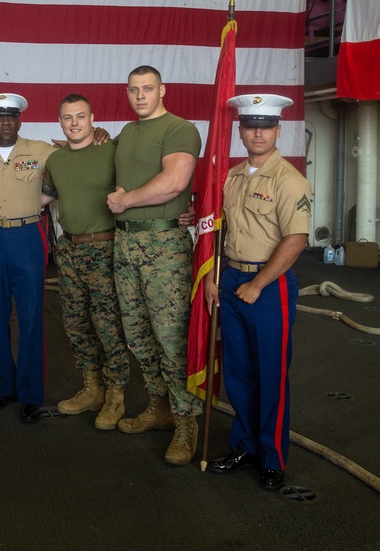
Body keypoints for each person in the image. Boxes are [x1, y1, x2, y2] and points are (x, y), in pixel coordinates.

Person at [203, 94, 310, 491]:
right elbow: (220, 230)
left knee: (271, 376)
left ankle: (272, 457)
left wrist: (258, 284)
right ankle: (244, 446)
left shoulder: (289, 180)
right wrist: (216, 277)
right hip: (231, 280)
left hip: (269, 286)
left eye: (266, 126)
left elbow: (296, 240)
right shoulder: (231, 176)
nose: (258, 132)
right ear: (241, 130)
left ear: (278, 131)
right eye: (251, 125)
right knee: (239, 373)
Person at [107, 65, 202, 466]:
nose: (140, 95)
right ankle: (159, 405)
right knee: (138, 334)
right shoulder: (127, 133)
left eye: (147, 89)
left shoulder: (180, 128)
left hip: (163, 244)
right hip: (125, 242)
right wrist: (94, 135)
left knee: (170, 337)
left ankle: (186, 420)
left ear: (163, 90)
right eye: (133, 90)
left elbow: (175, 182)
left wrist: (126, 200)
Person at [0, 93, 58, 424]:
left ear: (20, 121)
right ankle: (5, 387)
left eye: (12, 117)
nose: (6, 122)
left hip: (27, 236)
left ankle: (31, 393)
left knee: (32, 317)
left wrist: (40, 200)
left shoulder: (41, 151)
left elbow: (72, 165)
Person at [42, 94, 129, 430]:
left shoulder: (112, 150)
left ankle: (116, 396)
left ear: (93, 118)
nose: (74, 123)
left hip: (104, 248)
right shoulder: (56, 159)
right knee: (77, 324)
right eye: (68, 118)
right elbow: (43, 195)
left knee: (108, 326)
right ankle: (92, 388)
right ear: (60, 122)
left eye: (81, 116)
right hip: (69, 249)